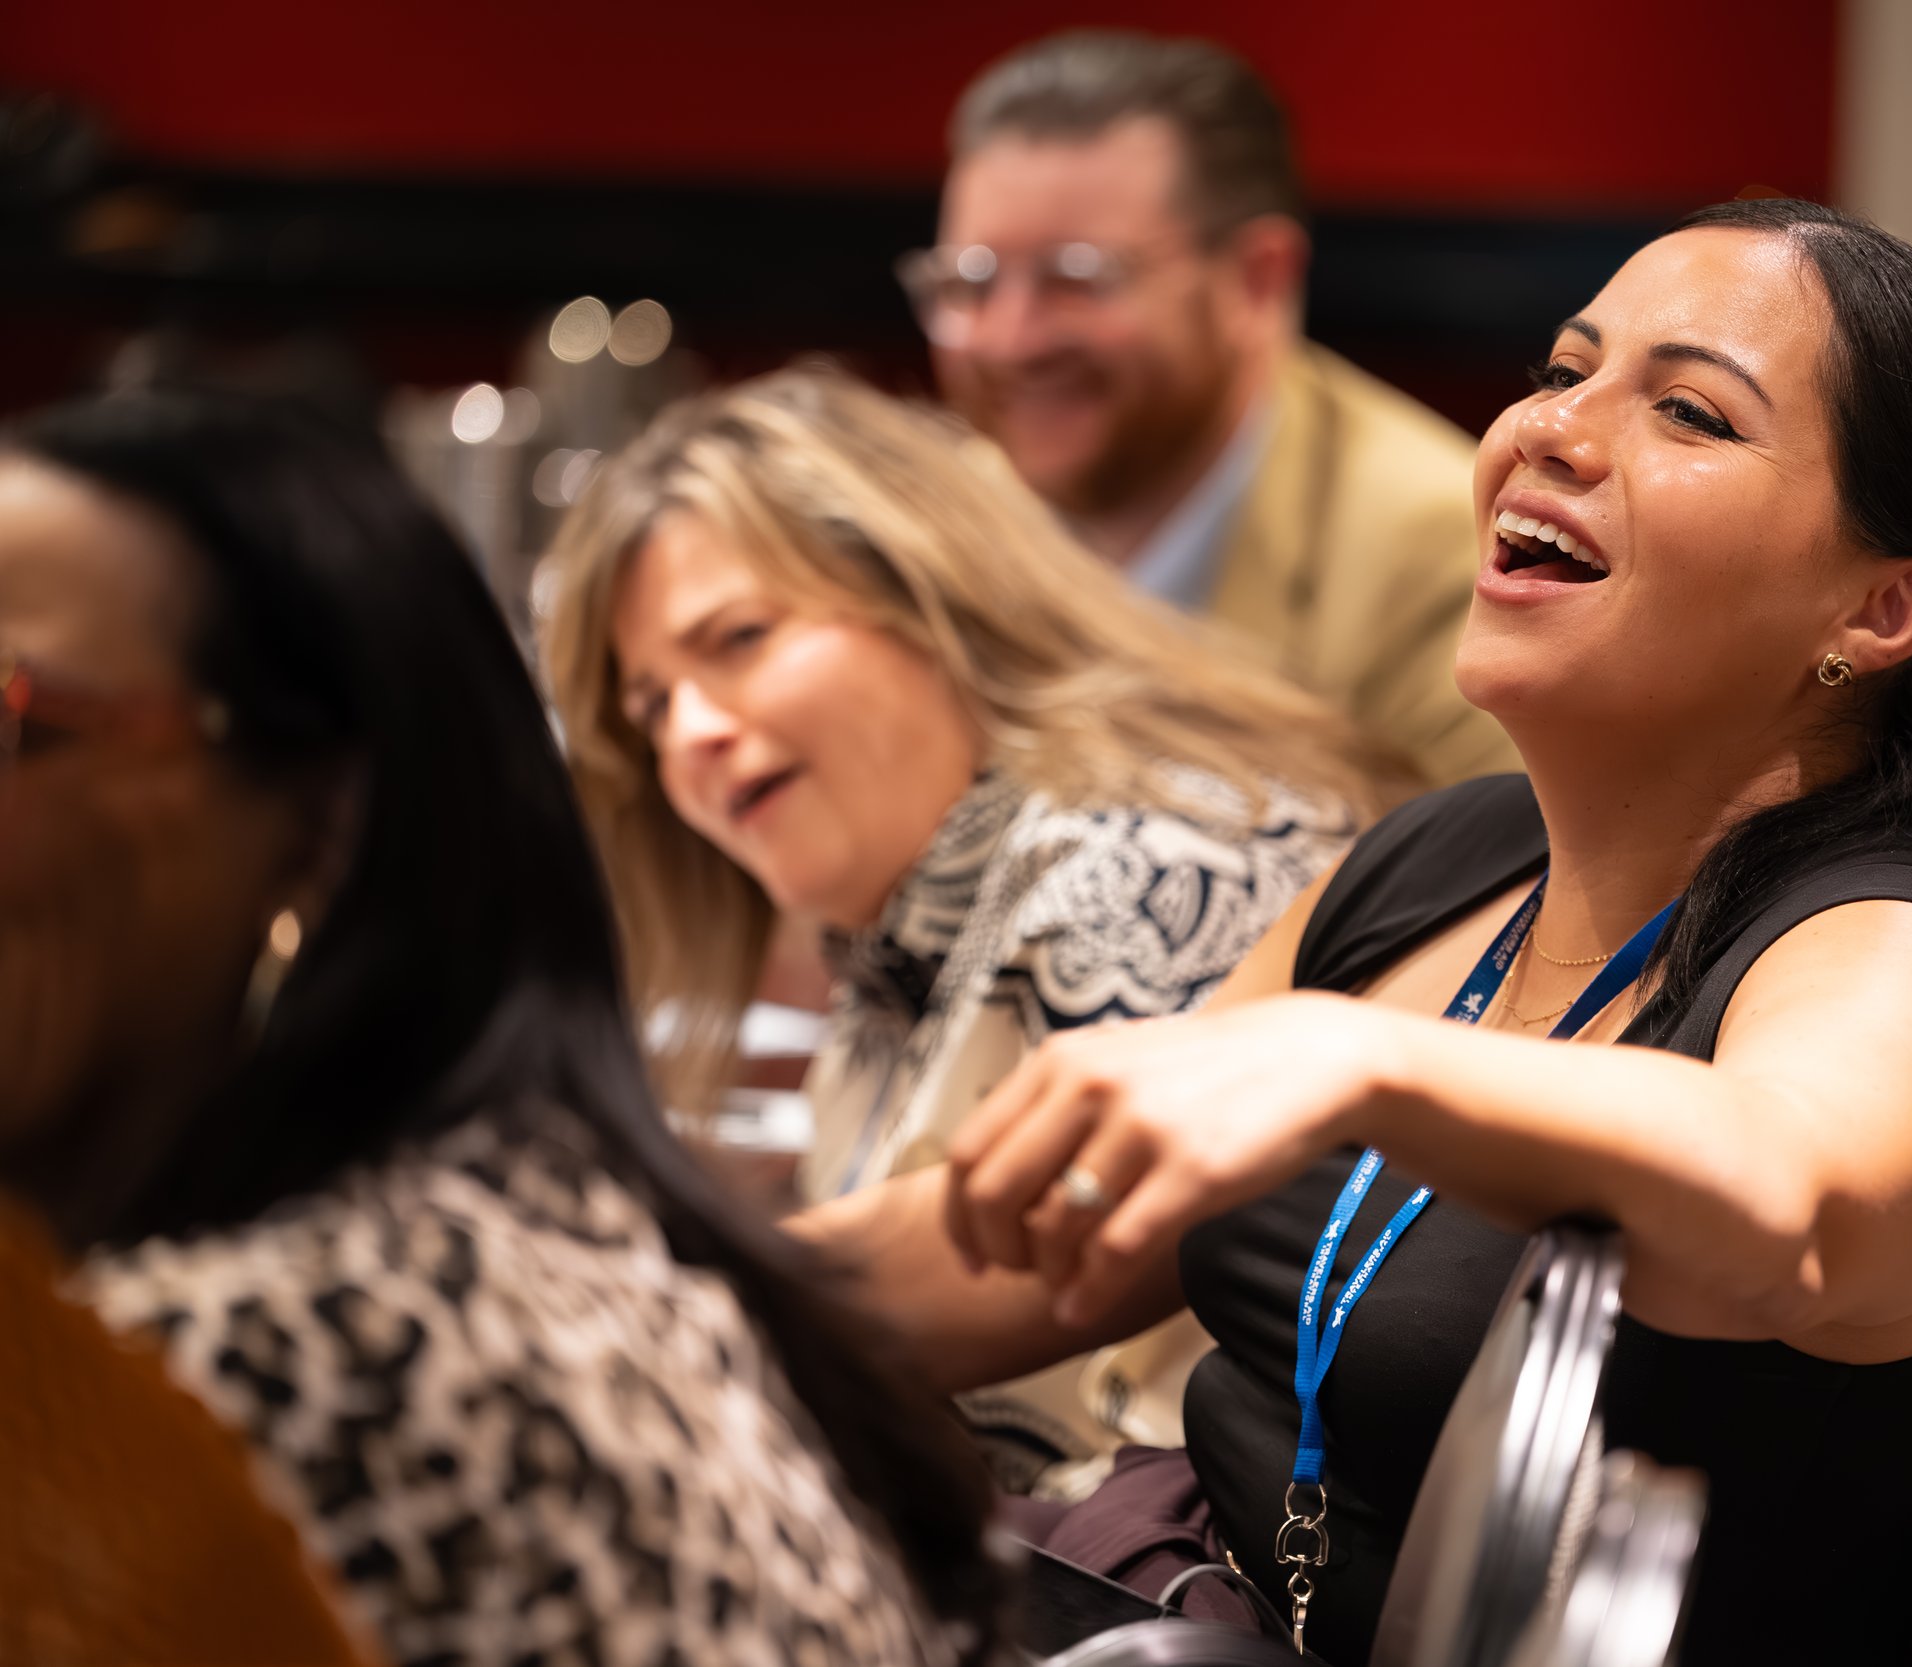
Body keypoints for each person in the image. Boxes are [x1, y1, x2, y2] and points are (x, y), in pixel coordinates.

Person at [796, 200, 1912, 1664]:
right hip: (1175, 1583)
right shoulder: (1449, 858)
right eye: (1565, 371)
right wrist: (646, 1276)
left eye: (1688, 410)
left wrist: (1356, 1062)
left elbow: (1791, 1201)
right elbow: (1034, 1241)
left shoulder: (1891, 939)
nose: (1549, 431)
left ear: (1883, 610)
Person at [0, 392, 1000, 1666]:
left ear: (319, 832)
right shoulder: (543, 1211)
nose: (694, 733)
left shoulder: (273, 1354)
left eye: (11, 717)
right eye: (648, 703)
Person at [540, 367, 1406, 1483]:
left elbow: (1060, 1327)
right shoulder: (896, 938)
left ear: (931, 598)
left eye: (739, 639)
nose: (690, 733)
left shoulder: (1146, 869)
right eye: (651, 703)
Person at [906, 29, 1518, 788]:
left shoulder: (1447, 556)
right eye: (971, 282)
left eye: (1076, 277)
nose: (1009, 340)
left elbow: (1500, 899)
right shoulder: (931, 531)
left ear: (1257, 280)